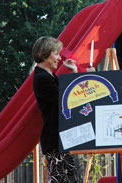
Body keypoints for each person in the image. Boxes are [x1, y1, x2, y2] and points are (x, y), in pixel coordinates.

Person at [32, 36, 95, 182]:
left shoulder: (51, 77)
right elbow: (69, 100)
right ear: (45, 54)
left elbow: (70, 95)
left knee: (71, 178)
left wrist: (74, 73)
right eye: (56, 54)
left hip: (63, 139)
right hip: (56, 141)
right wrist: (87, 78)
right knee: (62, 179)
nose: (59, 58)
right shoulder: (42, 78)